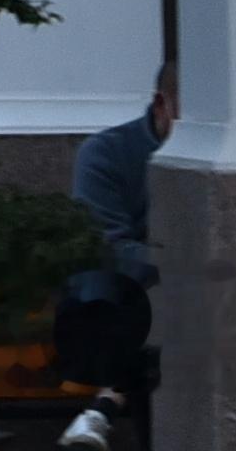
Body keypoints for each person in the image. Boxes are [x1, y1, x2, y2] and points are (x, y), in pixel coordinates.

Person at [56, 65, 168, 450]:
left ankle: (104, 407)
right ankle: (105, 406)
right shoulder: (106, 153)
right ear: (161, 105)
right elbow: (109, 245)